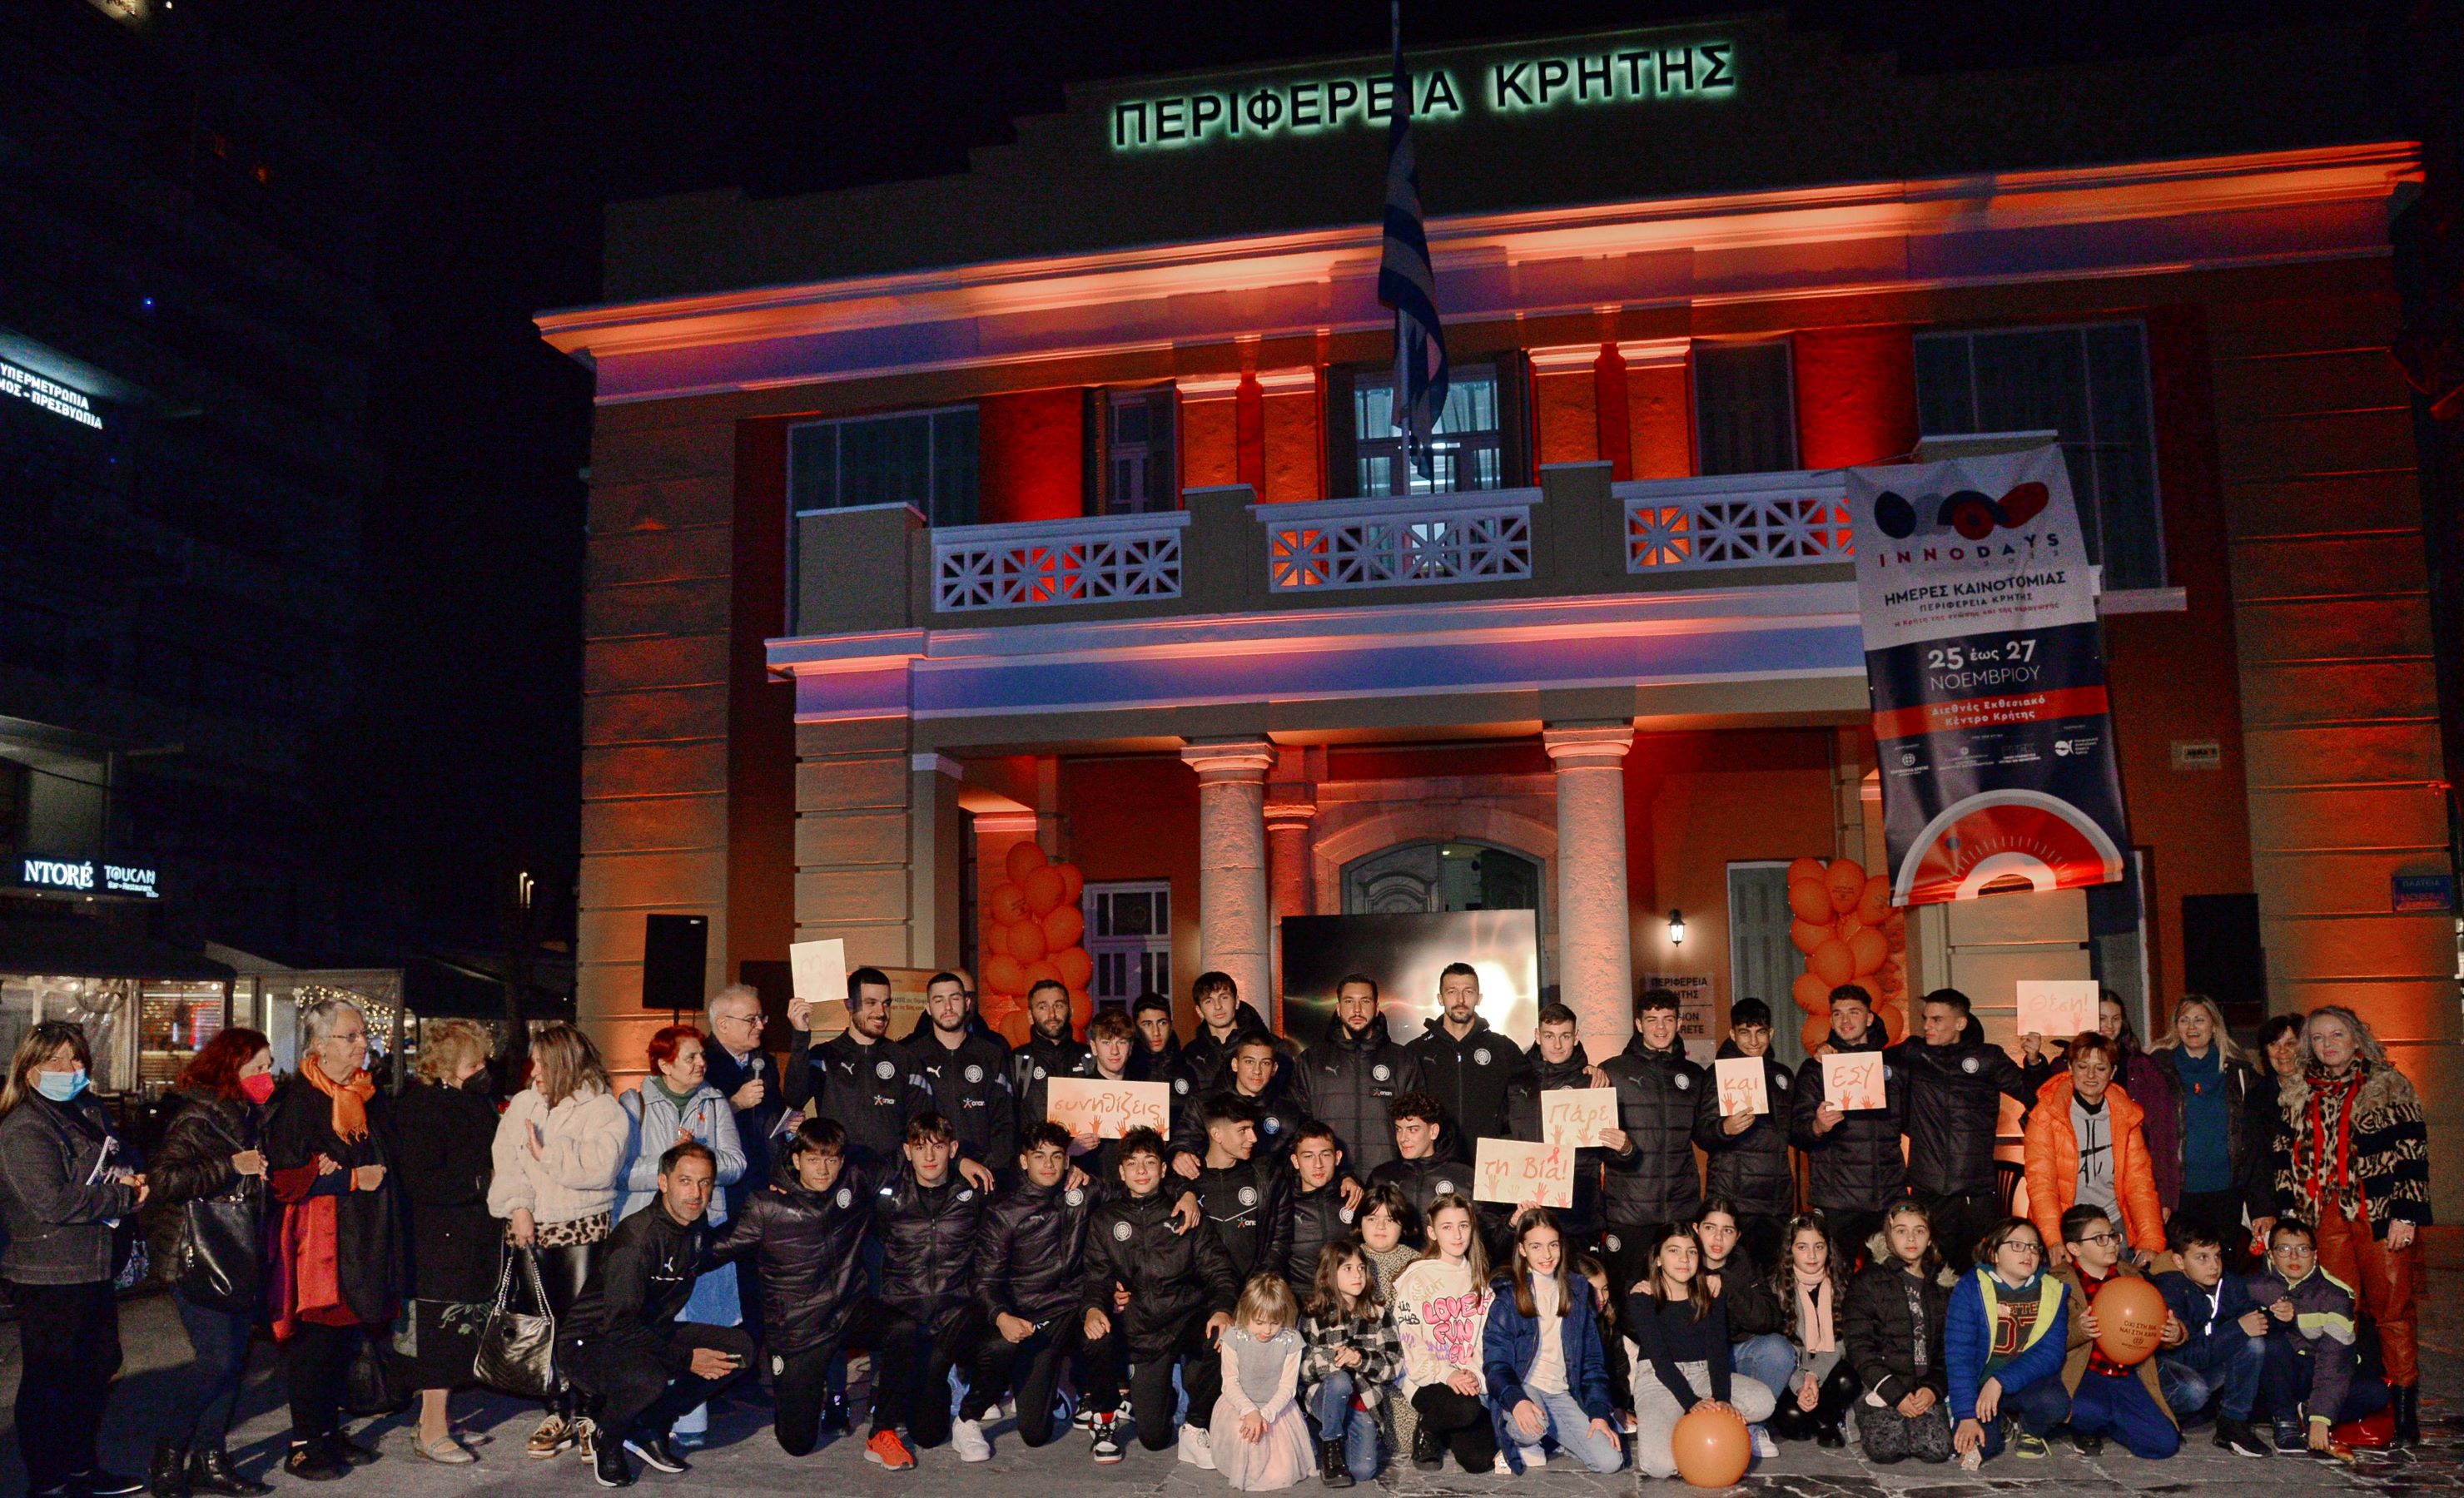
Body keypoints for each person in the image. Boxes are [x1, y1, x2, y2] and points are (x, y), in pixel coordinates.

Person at [2263, 1004, 2429, 1444]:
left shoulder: (2388, 1085)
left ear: (2356, 1038)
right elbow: (2283, 1159)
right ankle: (2336, 1403)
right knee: (2333, 1310)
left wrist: (2407, 1214)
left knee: (2393, 1310)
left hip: (2379, 1212)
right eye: (2318, 1037)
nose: (2327, 1044)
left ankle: (2404, 1411)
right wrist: (2289, 1217)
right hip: (2323, 1214)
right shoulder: (2298, 1091)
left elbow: (2412, 1153)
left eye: (2336, 1034)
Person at [0, 1021, 147, 1498]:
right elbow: (51, 1201)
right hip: (48, 1271)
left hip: (93, 1262)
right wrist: (121, 1196)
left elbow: (118, 1158)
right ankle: (47, 1481)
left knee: (97, 1366)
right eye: (55, 1060)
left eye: (76, 1058)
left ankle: (82, 1468)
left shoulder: (86, 1109)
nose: (69, 1068)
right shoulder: (24, 1126)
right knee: (50, 1379)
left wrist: (131, 1174)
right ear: (29, 1068)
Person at [264, 999, 404, 1482]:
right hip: (320, 1246)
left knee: (344, 1341)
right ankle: (304, 1443)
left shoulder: (365, 1094)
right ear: (320, 1045)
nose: (363, 1044)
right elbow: (284, 1178)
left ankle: (326, 1430)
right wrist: (342, 1178)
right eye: (351, 1036)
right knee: (317, 1343)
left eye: (363, 1034)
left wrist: (341, 1172)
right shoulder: (299, 1100)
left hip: (363, 1236)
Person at [560, 1142, 754, 1488]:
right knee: (647, 1378)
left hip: (647, 1332)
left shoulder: (693, 1222)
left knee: (739, 1349)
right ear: (663, 1182)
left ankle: (649, 1424)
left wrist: (763, 1214)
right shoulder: (637, 1241)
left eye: (705, 1183)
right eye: (685, 1181)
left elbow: (706, 1254)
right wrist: (685, 1358)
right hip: (591, 1342)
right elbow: (619, 1325)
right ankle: (608, 1437)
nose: (696, 1193)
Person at [488, 1021, 630, 1461]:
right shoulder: (524, 1104)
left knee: (581, 1328)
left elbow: (599, 1169)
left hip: (581, 1231)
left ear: (565, 1064)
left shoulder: (604, 1109)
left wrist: (546, 1154)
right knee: (540, 1326)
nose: (534, 1072)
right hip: (529, 1232)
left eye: (542, 1063)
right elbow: (506, 1161)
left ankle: (588, 1413)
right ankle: (555, 1411)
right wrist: (519, 1206)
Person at [145, 1027, 276, 1495]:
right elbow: (164, 1179)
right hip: (195, 1253)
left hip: (235, 1251)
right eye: (257, 1067)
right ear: (230, 1069)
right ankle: (170, 1448)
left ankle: (211, 1458)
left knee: (234, 1358)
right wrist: (231, 1167)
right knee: (218, 1359)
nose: (267, 1076)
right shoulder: (199, 1115)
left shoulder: (250, 1115)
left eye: (269, 1067)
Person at [704, 1117, 873, 1456]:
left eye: (831, 1160)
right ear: (796, 1160)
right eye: (813, 1159)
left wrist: (959, 1162)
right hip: (796, 1330)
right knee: (797, 1443)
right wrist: (662, 1250)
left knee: (904, 1330)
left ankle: (874, 1418)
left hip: (841, 1314)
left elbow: (897, 1160)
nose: (823, 1169)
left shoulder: (852, 1185)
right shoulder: (769, 1205)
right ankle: (796, 1395)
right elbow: (719, 1247)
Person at [616, 1025, 746, 1450]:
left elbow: (736, 1165)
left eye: (702, 1056)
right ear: (665, 1064)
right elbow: (622, 1173)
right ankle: (640, 1415)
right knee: (654, 1326)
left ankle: (687, 1419)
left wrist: (699, 1159)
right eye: (690, 1057)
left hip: (701, 1231)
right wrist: (672, 1166)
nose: (701, 1064)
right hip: (649, 1232)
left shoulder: (715, 1101)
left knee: (701, 1326)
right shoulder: (634, 1104)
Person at [1079, 1125, 1240, 1465]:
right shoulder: (1105, 1220)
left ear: (1163, 1169)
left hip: (1185, 1316)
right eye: (1133, 1164)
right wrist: (1094, 1308)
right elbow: (1096, 1276)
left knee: (1224, 1335)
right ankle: (1153, 1396)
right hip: (1144, 1331)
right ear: (1121, 1171)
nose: (1141, 1171)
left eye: (1150, 1162)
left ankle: (1197, 1424)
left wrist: (1223, 1309)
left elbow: (1219, 1270)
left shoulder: (1185, 1213)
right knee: (1153, 1439)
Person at [383, 1019, 500, 1466]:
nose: (482, 1070)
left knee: (460, 1328)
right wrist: (480, 1182)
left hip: (468, 1233)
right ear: (447, 1068)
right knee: (441, 1331)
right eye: (473, 1064)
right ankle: (431, 1429)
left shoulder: (469, 1100)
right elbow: (420, 1179)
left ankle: (440, 1419)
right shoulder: (422, 1107)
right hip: (439, 1239)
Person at [953, 1123, 1101, 1461]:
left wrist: (1183, 1192)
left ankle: (1096, 1399)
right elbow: (983, 1282)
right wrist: (1002, 1317)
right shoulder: (1005, 1212)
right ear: (1024, 1162)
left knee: (1107, 1324)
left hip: (1071, 1309)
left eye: (1056, 1156)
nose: (1048, 1165)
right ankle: (967, 1418)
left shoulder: (1084, 1192)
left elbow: (1137, 1196)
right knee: (1035, 1434)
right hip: (1028, 1318)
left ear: (1067, 1160)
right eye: (1039, 1157)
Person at [864, 1111, 986, 1466]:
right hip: (906, 1318)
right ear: (907, 1151)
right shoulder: (888, 1195)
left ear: (954, 1149)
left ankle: (958, 1385)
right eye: (920, 1148)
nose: (929, 1156)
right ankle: (889, 1416)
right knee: (926, 1430)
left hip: (952, 1317)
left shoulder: (973, 1192)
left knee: (930, 1434)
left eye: (938, 1147)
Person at [1892, 989, 2037, 1265]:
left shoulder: (1988, 1058)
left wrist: (2035, 1063)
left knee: (1981, 1267)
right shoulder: (1914, 1052)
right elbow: (1869, 1063)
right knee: (1932, 1268)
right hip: (1929, 1188)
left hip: (1975, 1189)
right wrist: (1830, 1052)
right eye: (1925, 1019)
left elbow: (2035, 1094)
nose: (1927, 1026)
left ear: (1960, 1023)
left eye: (1937, 1020)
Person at [1627, 1221, 1776, 1480]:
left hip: (1702, 1372)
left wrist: (1722, 1400)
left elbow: (1717, 1351)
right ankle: (1674, 1420)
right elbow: (1660, 1360)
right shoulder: (1643, 1297)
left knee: (1764, 1402)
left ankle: (1692, 1421)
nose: (1684, 1259)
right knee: (1659, 1466)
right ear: (1658, 1258)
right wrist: (1692, 1402)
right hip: (1658, 1378)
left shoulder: (1710, 1292)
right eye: (1674, 1251)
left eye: (1692, 1251)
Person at [1481, 1209, 1626, 1475]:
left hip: (1560, 1393)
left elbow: (1592, 1364)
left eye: (1553, 1245)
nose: (1546, 1255)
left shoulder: (1578, 1291)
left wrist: (1598, 1413)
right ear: (1523, 1249)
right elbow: (1495, 1365)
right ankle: (1520, 1440)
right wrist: (1516, 1401)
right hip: (1523, 1387)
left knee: (1610, 1461)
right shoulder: (1508, 1297)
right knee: (1534, 1426)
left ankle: (1554, 1439)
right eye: (1536, 1246)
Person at [2048, 1204, 2180, 1458]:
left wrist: (2174, 1334)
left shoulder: (2133, 1277)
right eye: (2099, 1239)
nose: (2111, 1244)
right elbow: (2043, 1340)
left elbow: (2151, 1325)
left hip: (2126, 1374)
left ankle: (2111, 1424)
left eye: (2113, 1236)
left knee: (2164, 1445)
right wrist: (2079, 1330)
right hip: (2086, 1374)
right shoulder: (2058, 1282)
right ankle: (2090, 1422)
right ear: (2075, 1248)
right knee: (2090, 1411)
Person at [2248, 1218, 2387, 1452]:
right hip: (2274, 1375)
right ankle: (2284, 1420)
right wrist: (2273, 1319)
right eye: (2284, 1249)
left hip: (2316, 1371)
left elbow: (2334, 1360)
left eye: (2303, 1249)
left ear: (2315, 1255)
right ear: (2271, 1254)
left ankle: (2305, 1412)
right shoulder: (2253, 1287)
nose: (2294, 1257)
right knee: (2271, 1343)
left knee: (2376, 1393)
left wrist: (2321, 1418)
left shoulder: (2336, 1295)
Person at [1791, 984, 1905, 1269]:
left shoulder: (1894, 1066)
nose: (1845, 1020)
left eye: (1854, 1012)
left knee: (1887, 1280)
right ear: (1830, 1020)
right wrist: (1817, 1126)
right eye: (1837, 1014)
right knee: (1835, 1279)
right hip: (1837, 1201)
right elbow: (1796, 1131)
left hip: (1885, 1196)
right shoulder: (1815, 1069)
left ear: (1869, 1018)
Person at [2023, 1031, 2162, 1264]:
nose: (2090, 1075)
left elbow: (2140, 1185)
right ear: (2070, 1067)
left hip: (2112, 1225)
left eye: (2100, 1068)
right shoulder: (2046, 1114)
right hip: (2064, 1227)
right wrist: (2054, 1240)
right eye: (2082, 1066)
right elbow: (2041, 1184)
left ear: (2113, 1072)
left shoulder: (2127, 1116)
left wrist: (2151, 1242)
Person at [1944, 1217, 2072, 1464]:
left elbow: (2051, 1354)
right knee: (1976, 1451)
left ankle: (2030, 1429)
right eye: (2017, 1245)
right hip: (1979, 1385)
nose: (2028, 1253)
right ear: (1994, 1254)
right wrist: (1966, 1415)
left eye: (2033, 1247)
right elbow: (1959, 1356)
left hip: (2022, 1381)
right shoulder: (1971, 1288)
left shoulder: (2053, 1291)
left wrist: (2001, 1380)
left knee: (2055, 1403)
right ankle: (1998, 1423)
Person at [1600, 987, 1703, 1287]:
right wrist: (1623, 1149)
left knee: (1679, 1295)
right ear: (1638, 1024)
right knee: (1627, 1294)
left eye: (1668, 1019)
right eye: (1652, 1020)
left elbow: (1706, 1134)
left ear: (1679, 1023)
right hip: (1629, 1211)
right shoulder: (1612, 1071)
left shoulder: (1695, 1075)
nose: (1660, 1027)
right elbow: (1593, 1143)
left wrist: (1726, 1128)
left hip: (1680, 1208)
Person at [1392, 1194, 1499, 1475]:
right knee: (1465, 1408)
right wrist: (1447, 1374)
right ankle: (1428, 1427)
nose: (1457, 1235)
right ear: (1432, 1232)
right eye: (1447, 1227)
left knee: (1479, 1460)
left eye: (1463, 1225)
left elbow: (1484, 1339)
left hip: (1467, 1379)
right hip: (1427, 1378)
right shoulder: (1416, 1277)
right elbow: (1410, 1341)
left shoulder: (1480, 1280)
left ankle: (1447, 1425)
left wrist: (1473, 1374)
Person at [699, 983, 782, 1342]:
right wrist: (734, 1103)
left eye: (761, 1018)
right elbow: (695, 1125)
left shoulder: (765, 1064)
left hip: (763, 1182)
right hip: (724, 1191)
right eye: (751, 1019)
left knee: (762, 1280)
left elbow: (773, 1115)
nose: (760, 1026)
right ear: (723, 1024)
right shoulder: (702, 1064)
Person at [1842, 1201, 1953, 1464]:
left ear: (1930, 1238)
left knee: (1936, 1448)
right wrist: (1894, 1393)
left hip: (1923, 1386)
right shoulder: (1869, 1281)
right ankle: (1859, 1410)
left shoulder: (1942, 1285)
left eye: (1919, 1231)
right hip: (1883, 1383)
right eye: (1902, 1231)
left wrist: (1933, 1388)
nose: (1911, 1239)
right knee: (1887, 1449)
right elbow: (1859, 1345)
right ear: (1889, 1236)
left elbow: (1949, 1347)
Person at [784, 966, 922, 1171]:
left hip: (892, 1176)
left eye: (886, 1004)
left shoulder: (904, 1059)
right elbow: (794, 1098)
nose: (881, 1013)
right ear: (849, 1004)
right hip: (837, 1173)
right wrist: (800, 1035)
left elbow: (919, 1125)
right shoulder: (824, 1055)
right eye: (871, 1003)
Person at [2149, 1225, 2271, 1456]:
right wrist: (2238, 1329)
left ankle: (2232, 1423)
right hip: (2173, 1370)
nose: (2214, 1265)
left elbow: (2254, 1316)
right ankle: (2156, 1416)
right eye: (2202, 1258)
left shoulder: (2230, 1283)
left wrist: (2276, 1317)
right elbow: (2185, 1356)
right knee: (2194, 1391)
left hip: (2207, 1365)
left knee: (2253, 1343)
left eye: (2217, 1256)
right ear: (2179, 1261)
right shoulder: (2169, 1289)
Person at [2148, 996, 2256, 1254]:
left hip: (2226, 1190)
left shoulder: (2238, 1070)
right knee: (2181, 1264)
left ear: (2214, 1025)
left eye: (2199, 1020)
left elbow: (2252, 1136)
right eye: (2184, 1020)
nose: (2192, 1027)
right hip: (2179, 1193)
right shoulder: (2158, 1068)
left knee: (2222, 1264)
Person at [1501, 1002, 1610, 1255]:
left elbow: (1610, 1149)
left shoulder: (1593, 1081)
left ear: (1576, 1037)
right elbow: (1503, 1136)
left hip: (1580, 1209)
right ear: (1537, 1036)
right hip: (1530, 1203)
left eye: (1565, 1036)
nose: (1557, 1045)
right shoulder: (1517, 1081)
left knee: (1583, 1277)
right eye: (1549, 1036)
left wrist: (1623, 1148)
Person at [1694, 999, 1796, 1268]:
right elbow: (1701, 1132)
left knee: (1772, 1278)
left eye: (1760, 1032)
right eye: (1744, 1033)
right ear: (1732, 1034)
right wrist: (1724, 1129)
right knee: (1727, 1275)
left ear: (1771, 1033)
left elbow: (1794, 1132)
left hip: (1775, 1199)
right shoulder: (1718, 1074)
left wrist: (1819, 1123)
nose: (1753, 1041)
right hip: (1732, 1197)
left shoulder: (1783, 1075)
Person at [1299, 1240, 1403, 1488]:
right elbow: (1301, 1368)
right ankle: (1330, 1446)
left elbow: (1394, 1366)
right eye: (1347, 1268)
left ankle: (1341, 1437)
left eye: (1361, 1268)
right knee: (1340, 1381)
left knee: (1363, 1471)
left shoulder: (1379, 1316)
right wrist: (1336, 1360)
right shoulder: (1313, 1316)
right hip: (1325, 1398)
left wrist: (1360, 1359)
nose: (1357, 1275)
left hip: (1361, 1403)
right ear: (1328, 1276)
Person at [902, 971, 1017, 1181]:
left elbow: (1005, 1121)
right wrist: (957, 1161)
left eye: (954, 998)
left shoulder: (991, 1054)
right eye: (939, 1000)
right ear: (928, 1008)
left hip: (985, 1174)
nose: (947, 1007)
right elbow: (909, 1122)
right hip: (931, 1175)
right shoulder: (911, 1056)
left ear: (967, 1003)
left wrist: (994, 1167)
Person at [1698, 1199, 1790, 1459]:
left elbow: (1768, 1320)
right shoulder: (1682, 1258)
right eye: (1710, 1228)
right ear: (1696, 1229)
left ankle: (1750, 1428)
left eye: (1727, 1230)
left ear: (1737, 1236)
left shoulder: (1744, 1265)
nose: (1718, 1238)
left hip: (1734, 1354)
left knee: (1778, 1350)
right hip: (1694, 1362)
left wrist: (1728, 1285)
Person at [1301, 975, 1418, 1176]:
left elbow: (1417, 1126)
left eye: (1365, 1001)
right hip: (1331, 1183)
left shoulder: (1402, 1060)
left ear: (1377, 1007)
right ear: (1338, 1008)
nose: (1357, 1010)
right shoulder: (1312, 1061)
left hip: (1387, 1182)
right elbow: (1300, 1128)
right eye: (1349, 1001)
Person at [1210, 1274, 1317, 1491]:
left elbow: (1287, 1387)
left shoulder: (1290, 1339)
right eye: (1259, 1322)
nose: (1267, 1330)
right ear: (1246, 1312)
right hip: (1240, 1406)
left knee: (1281, 1472)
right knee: (1246, 1446)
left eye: (1275, 1323)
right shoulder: (1234, 1337)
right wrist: (1250, 1411)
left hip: (1276, 1408)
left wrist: (1265, 1415)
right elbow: (1230, 1382)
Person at [1766, 1217, 1857, 1449]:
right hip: (1793, 1373)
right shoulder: (1777, 1287)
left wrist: (1814, 1374)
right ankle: (1813, 1413)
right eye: (1802, 1247)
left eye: (1819, 1247)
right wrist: (1801, 1382)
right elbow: (1780, 1349)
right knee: (1794, 1422)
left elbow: (1843, 1341)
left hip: (1829, 1369)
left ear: (1829, 1249)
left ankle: (1828, 1421)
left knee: (1847, 1381)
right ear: (1790, 1250)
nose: (1812, 1256)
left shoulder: (1841, 1285)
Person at [1403, 964, 1515, 1148]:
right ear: (1440, 999)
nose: (1460, 999)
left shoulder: (1502, 1049)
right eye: (1452, 992)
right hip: (1435, 1160)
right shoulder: (1416, 1051)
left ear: (1479, 998)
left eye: (1468, 992)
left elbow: (1534, 1088)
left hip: (1489, 1159)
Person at [2096, 993, 2183, 1223]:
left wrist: (2165, 1195)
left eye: (2115, 1019)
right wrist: (2035, 1062)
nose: (2109, 1026)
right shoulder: (2068, 1066)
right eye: (2101, 1018)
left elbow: (2162, 1133)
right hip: (2088, 1179)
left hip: (2134, 1175)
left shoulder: (2142, 1067)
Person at [1354, 1184, 1424, 1458]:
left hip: (1403, 1362)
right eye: (1372, 1218)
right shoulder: (1349, 1258)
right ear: (1360, 1222)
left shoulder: (1415, 1262)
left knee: (1404, 1445)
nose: (1380, 1227)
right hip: (1361, 1363)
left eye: (1390, 1220)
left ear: (1402, 1225)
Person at [1176, 1034, 1310, 1172]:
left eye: (1265, 1063)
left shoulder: (1288, 1113)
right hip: (1212, 1182)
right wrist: (1180, 1154)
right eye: (1249, 1062)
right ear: (1235, 1064)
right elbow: (1183, 1143)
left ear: (1274, 1069)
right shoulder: (1204, 1104)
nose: (1257, 1071)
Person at [2240, 1014, 2304, 1257]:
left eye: (2291, 1043)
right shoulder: (2258, 1097)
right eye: (2274, 1044)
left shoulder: (2323, 1093)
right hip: (2278, 1204)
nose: (2282, 1051)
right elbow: (2255, 1157)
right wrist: (2262, 1209)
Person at [1364, 1091, 1468, 1242]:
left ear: (1433, 1131)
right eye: (1399, 1129)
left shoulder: (1463, 1177)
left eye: (1412, 1129)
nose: (1403, 1138)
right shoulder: (1381, 1176)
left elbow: (1488, 1237)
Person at [1178, 971, 1284, 1102]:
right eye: (1209, 1001)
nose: (1218, 1006)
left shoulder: (1273, 1047)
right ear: (1199, 1011)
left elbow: (1286, 1099)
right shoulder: (1190, 1054)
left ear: (1237, 1001)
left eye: (1224, 997)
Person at [1011, 979, 1090, 1140]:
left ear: (1071, 1012)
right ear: (1030, 1016)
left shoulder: (1089, 1057)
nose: (1052, 1014)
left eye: (1059, 1005)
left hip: (1086, 1154)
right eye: (1043, 1007)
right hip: (1036, 1154)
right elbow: (1007, 1121)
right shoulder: (1017, 1061)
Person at [1283, 1122, 1353, 1297]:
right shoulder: (1282, 1202)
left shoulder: (1354, 1197)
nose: (1318, 1164)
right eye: (1308, 1156)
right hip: (1300, 1301)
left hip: (1347, 1300)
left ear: (1337, 1157)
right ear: (1295, 1161)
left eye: (1325, 1155)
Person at [1572, 1253, 1634, 1430]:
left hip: (1601, 1400)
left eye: (1605, 1289)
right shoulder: (1567, 1323)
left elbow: (1618, 1368)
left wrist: (1618, 1406)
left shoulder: (1607, 1320)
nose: (1601, 1297)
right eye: (1593, 1290)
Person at [1132, 991, 1185, 1081]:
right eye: (1147, 1024)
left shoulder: (1187, 1065)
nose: (1156, 1032)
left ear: (1171, 1025)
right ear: (1136, 1028)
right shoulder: (1125, 1070)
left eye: (1162, 1023)